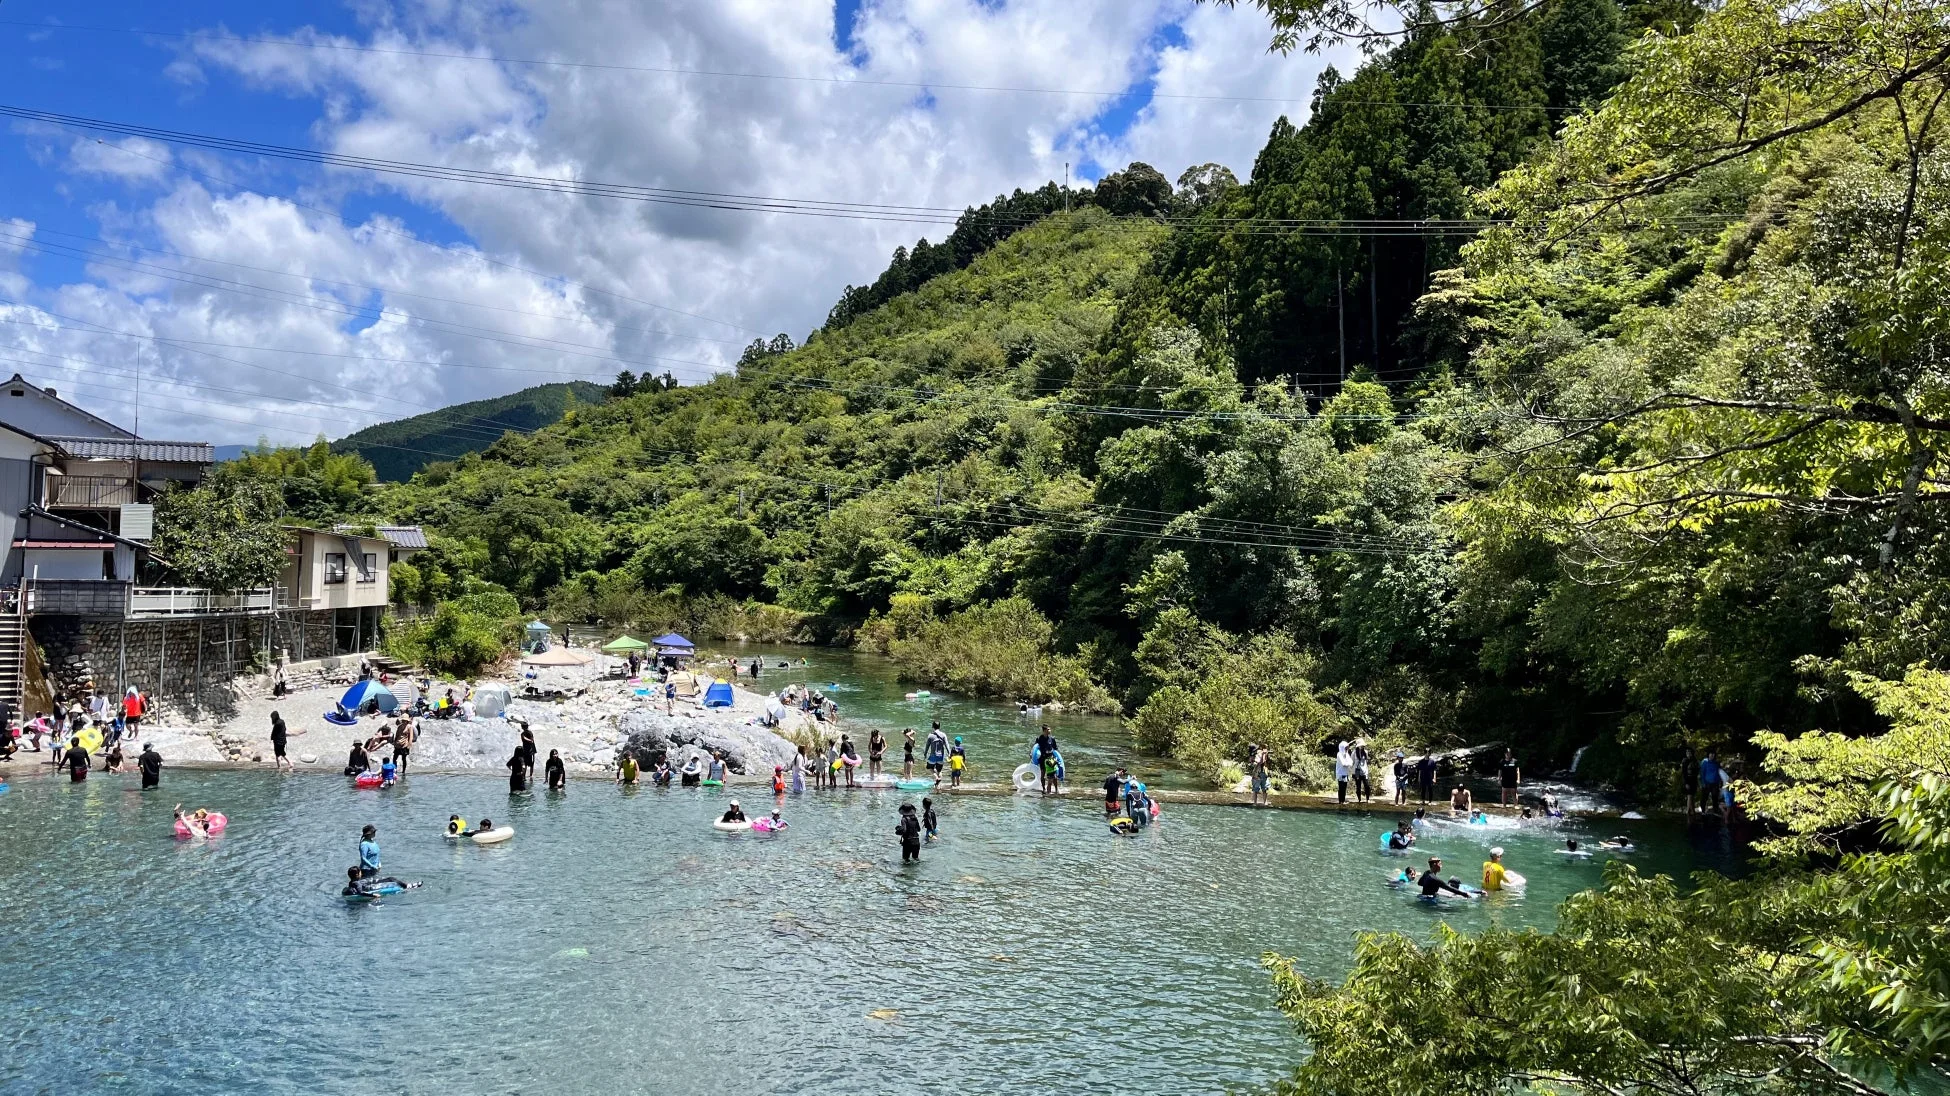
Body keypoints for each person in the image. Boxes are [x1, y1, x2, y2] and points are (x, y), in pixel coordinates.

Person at [1034, 725, 1061, 795]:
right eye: (1048, 729)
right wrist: (1031, 755)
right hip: (1042, 758)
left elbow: (1055, 749)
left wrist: (1058, 759)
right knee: (1043, 774)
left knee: (1054, 774)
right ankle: (1043, 789)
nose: (1050, 731)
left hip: (1051, 758)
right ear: (1044, 730)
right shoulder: (1039, 739)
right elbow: (1035, 749)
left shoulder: (1052, 739)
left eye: (1050, 729)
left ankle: (1056, 789)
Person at [1698, 751, 1724, 817]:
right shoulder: (1705, 763)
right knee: (1704, 797)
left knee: (1715, 798)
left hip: (1715, 783)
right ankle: (1703, 811)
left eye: (1713, 754)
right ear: (1708, 755)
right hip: (1706, 783)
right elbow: (1702, 773)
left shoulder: (1716, 763)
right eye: (1710, 754)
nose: (1712, 755)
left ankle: (1715, 811)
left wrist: (1720, 781)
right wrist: (1703, 783)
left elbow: (1719, 772)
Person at [1334, 740, 1352, 805]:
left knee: (1344, 787)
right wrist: (1348, 763)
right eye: (1346, 747)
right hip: (1340, 774)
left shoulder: (1346, 754)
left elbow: (1351, 762)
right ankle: (1340, 801)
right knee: (1341, 787)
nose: (1347, 749)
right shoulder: (1339, 754)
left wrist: (1348, 763)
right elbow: (1344, 763)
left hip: (1345, 773)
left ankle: (1343, 801)